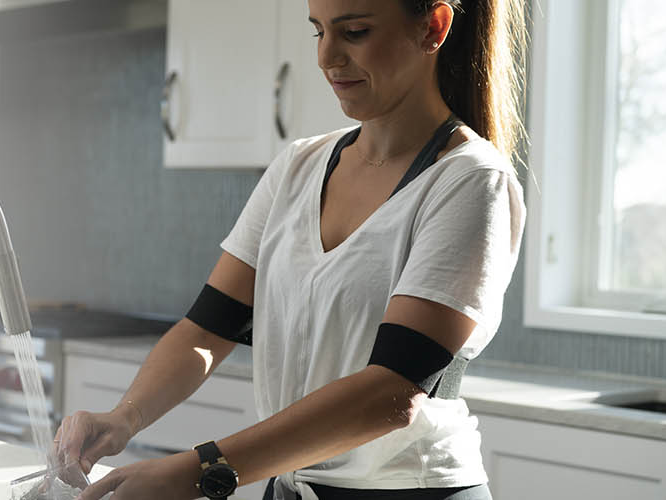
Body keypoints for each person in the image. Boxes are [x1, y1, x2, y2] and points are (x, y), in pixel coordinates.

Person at [54, 0, 528, 499]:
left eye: (355, 32)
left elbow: (392, 391)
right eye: (318, 32)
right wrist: (124, 418)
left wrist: (199, 469)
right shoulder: (299, 167)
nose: (327, 57)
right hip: (292, 486)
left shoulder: (471, 182)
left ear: (434, 27)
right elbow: (208, 328)